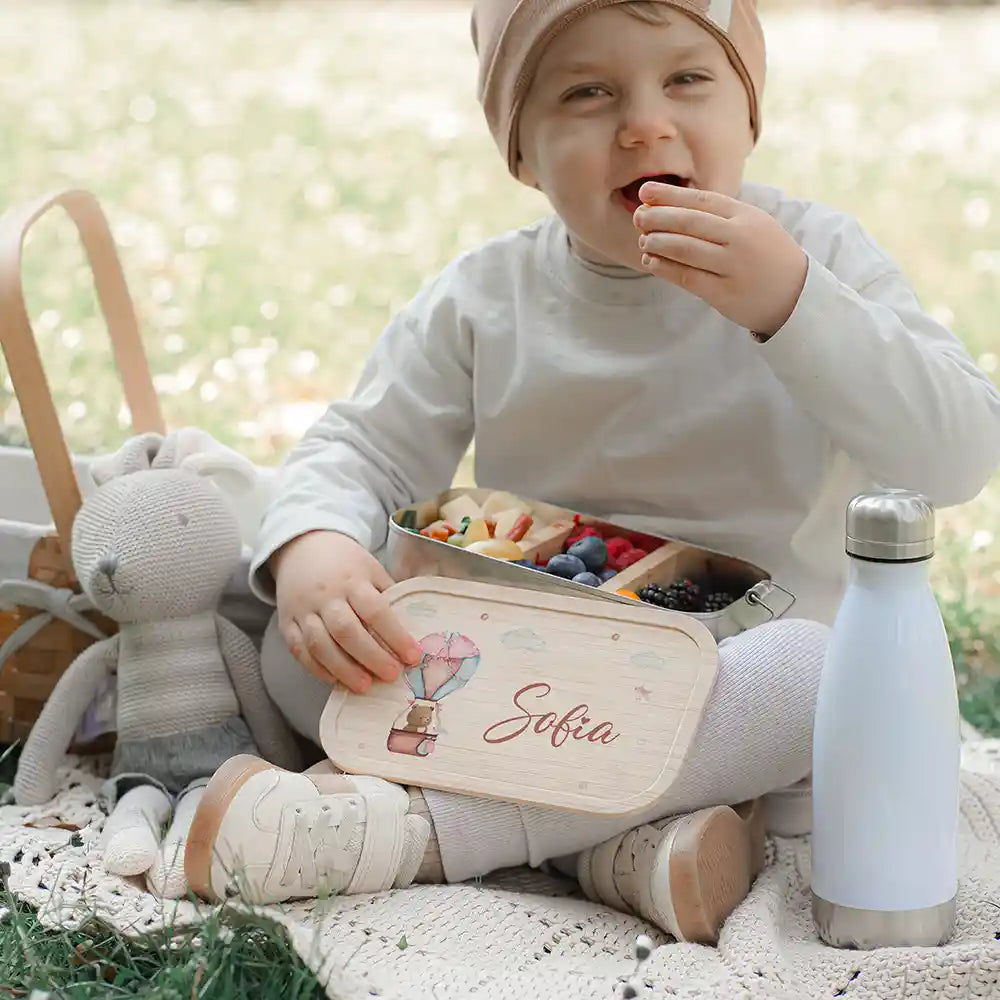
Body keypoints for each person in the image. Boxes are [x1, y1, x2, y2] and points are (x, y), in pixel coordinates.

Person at [182, 0, 1000, 944]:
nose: (646, 123)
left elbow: (960, 455)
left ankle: (415, 838)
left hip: (734, 681)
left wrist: (796, 306)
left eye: (688, 80)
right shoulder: (489, 296)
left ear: (749, 115)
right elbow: (359, 448)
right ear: (521, 153)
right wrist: (315, 552)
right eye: (588, 91)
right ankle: (618, 849)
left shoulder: (821, 261)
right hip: (532, 677)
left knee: (819, 669)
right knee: (303, 638)